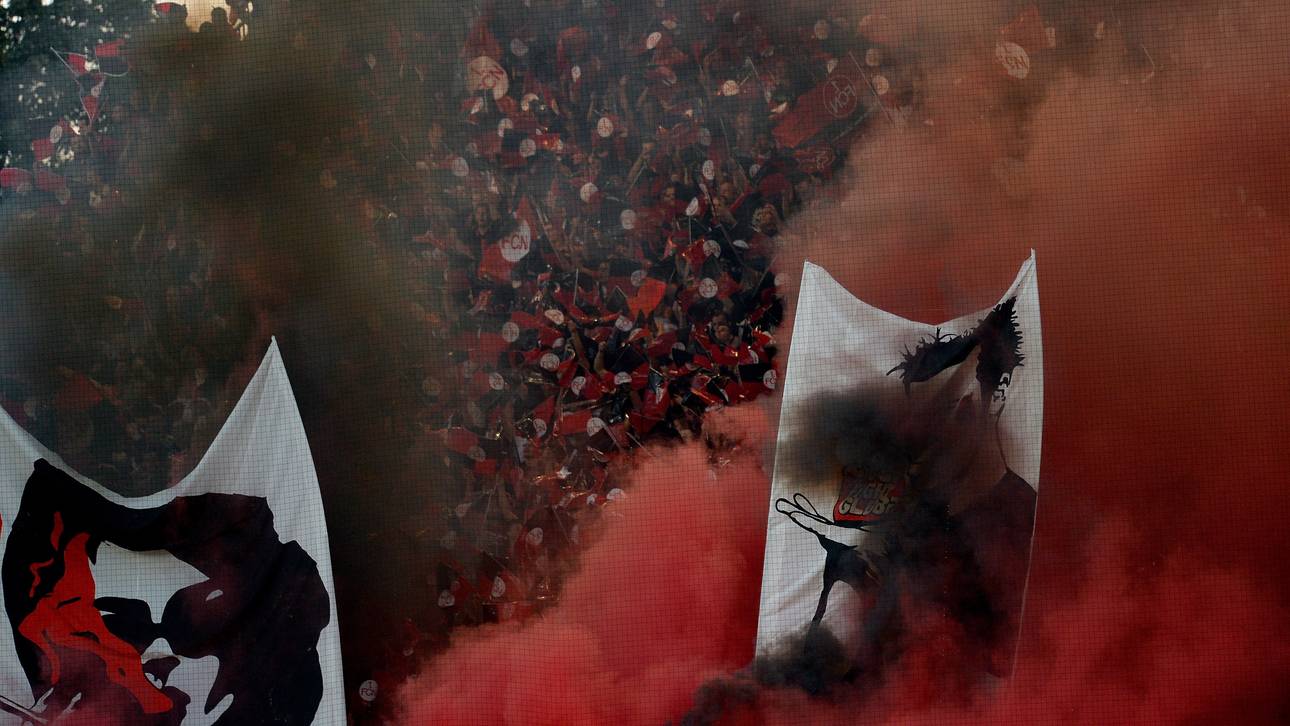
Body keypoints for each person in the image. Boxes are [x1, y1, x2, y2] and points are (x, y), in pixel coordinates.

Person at [2, 460, 331, 725]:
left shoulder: (284, 688)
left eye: (193, 627)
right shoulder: (65, 668)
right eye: (127, 626)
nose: (158, 654)